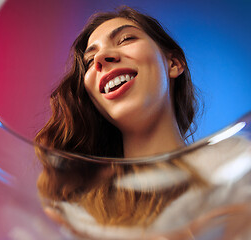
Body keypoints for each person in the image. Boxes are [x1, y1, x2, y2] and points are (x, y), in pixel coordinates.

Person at [34, 6, 212, 238]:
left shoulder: (235, 175)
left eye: (125, 39)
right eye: (89, 61)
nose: (100, 58)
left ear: (173, 63)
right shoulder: (79, 217)